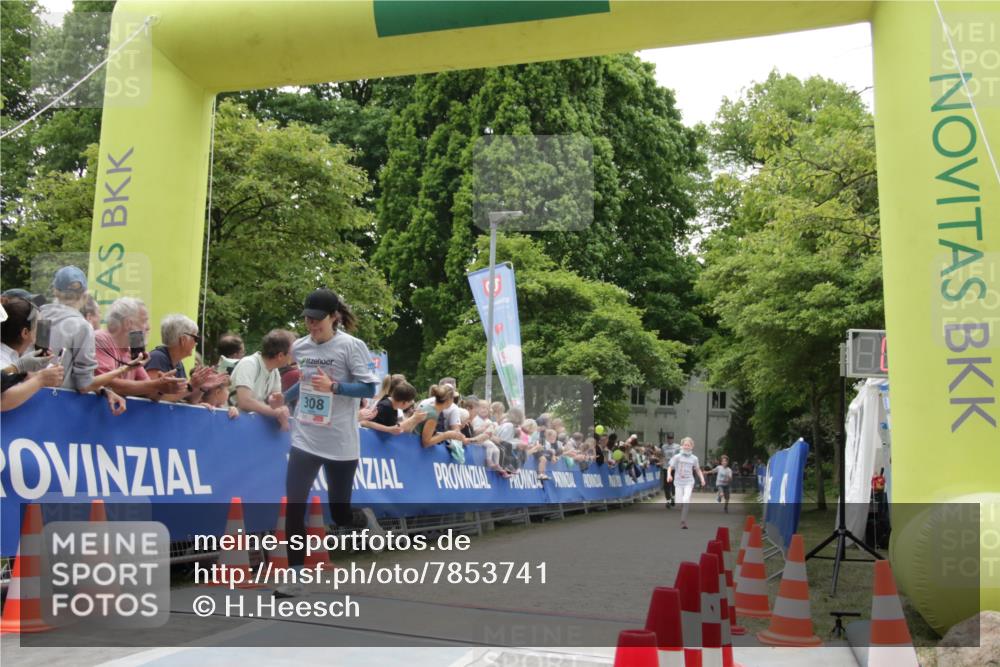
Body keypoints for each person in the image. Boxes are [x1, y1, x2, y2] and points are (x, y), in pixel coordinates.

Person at [278, 288, 383, 598]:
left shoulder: (351, 347)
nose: (311, 325)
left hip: (340, 440)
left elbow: (368, 387)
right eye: (307, 319)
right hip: (306, 437)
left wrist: (334, 386)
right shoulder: (300, 347)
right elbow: (305, 382)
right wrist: (282, 400)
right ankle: (294, 576)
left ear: (334, 316)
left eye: (317, 320)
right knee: (294, 505)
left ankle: (364, 518)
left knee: (339, 514)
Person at [39, 266, 130, 414]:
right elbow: (84, 384)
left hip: (22, 402)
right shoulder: (82, 327)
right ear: (85, 296)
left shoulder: (34, 315)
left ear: (55, 291)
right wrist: (124, 369)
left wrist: (103, 390)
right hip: (54, 410)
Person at [95, 297, 188, 398]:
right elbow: (109, 383)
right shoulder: (101, 339)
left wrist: (162, 388)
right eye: (144, 321)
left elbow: (150, 393)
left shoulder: (131, 350)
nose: (148, 327)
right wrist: (157, 384)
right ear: (128, 323)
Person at [1, 296, 65, 411]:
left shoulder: (17, 356)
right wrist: (41, 379)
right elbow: (2, 400)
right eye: (37, 325)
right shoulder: (3, 357)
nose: (42, 329)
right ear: (25, 333)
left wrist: (30, 375)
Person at [229, 329, 294, 430]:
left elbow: (277, 403)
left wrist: (283, 409)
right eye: (291, 353)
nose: (293, 357)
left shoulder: (274, 371)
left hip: (246, 425)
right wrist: (276, 412)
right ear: (280, 355)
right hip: (230, 421)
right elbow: (244, 402)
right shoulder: (249, 363)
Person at [145, 313, 214, 403]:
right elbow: (154, 396)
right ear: (183, 340)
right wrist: (191, 385)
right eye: (195, 338)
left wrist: (202, 387)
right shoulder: (157, 358)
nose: (196, 343)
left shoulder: (178, 364)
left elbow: (189, 399)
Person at [667, 437, 706, 529]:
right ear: (682, 446)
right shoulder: (677, 457)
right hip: (678, 482)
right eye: (685, 445)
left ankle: (683, 521)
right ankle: (681, 508)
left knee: (686, 500)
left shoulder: (694, 458)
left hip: (689, 482)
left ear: (692, 447)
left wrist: (702, 479)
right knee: (679, 502)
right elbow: (670, 467)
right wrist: (669, 475)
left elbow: (698, 470)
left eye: (688, 445)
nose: (686, 447)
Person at [661, 433, 679, 508]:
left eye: (671, 438)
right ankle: (668, 500)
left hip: (674, 468)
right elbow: (662, 456)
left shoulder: (677, 447)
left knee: (673, 484)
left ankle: (673, 498)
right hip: (666, 467)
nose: (670, 439)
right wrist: (662, 463)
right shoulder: (664, 447)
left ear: (673, 439)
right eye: (668, 438)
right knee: (666, 485)